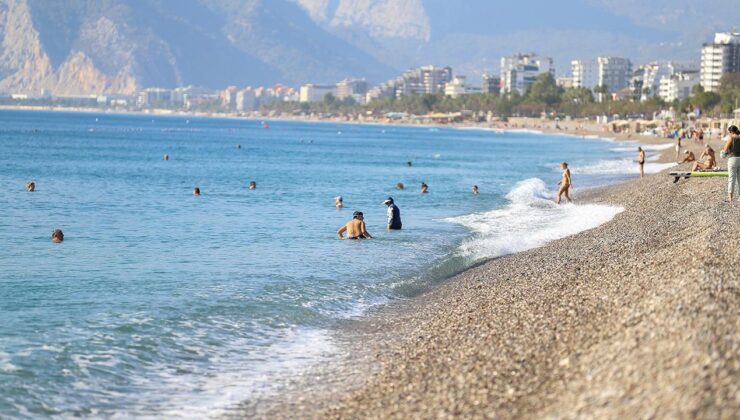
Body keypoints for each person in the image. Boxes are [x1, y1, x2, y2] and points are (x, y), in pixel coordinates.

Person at [721, 125, 740, 203]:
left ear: (731, 132)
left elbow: (725, 150)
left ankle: (730, 199)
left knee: (731, 179)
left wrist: (724, 153)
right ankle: (739, 198)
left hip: (733, 159)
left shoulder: (731, 137)